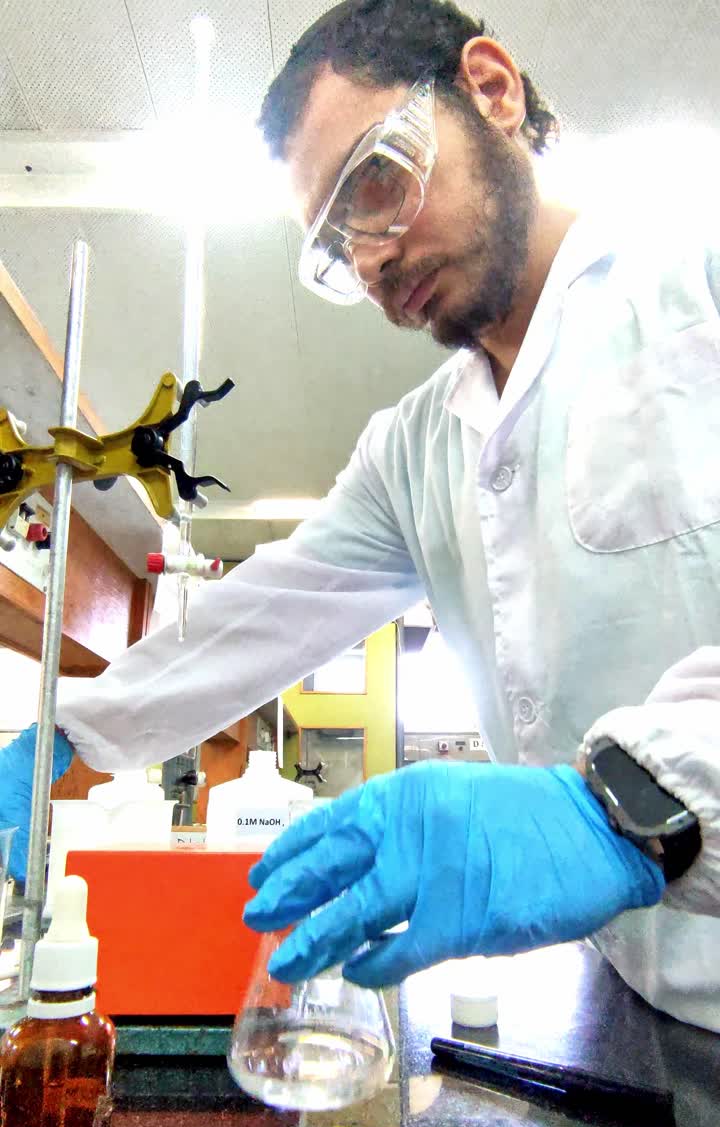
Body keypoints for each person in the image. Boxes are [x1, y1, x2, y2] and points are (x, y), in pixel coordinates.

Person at [2, 0, 719, 1028]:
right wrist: (69, 736)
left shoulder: (700, 284)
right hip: (634, 1003)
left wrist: (623, 812)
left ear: (491, 90)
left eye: (376, 181)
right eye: (338, 244)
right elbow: (262, 614)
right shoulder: (415, 448)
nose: (372, 259)